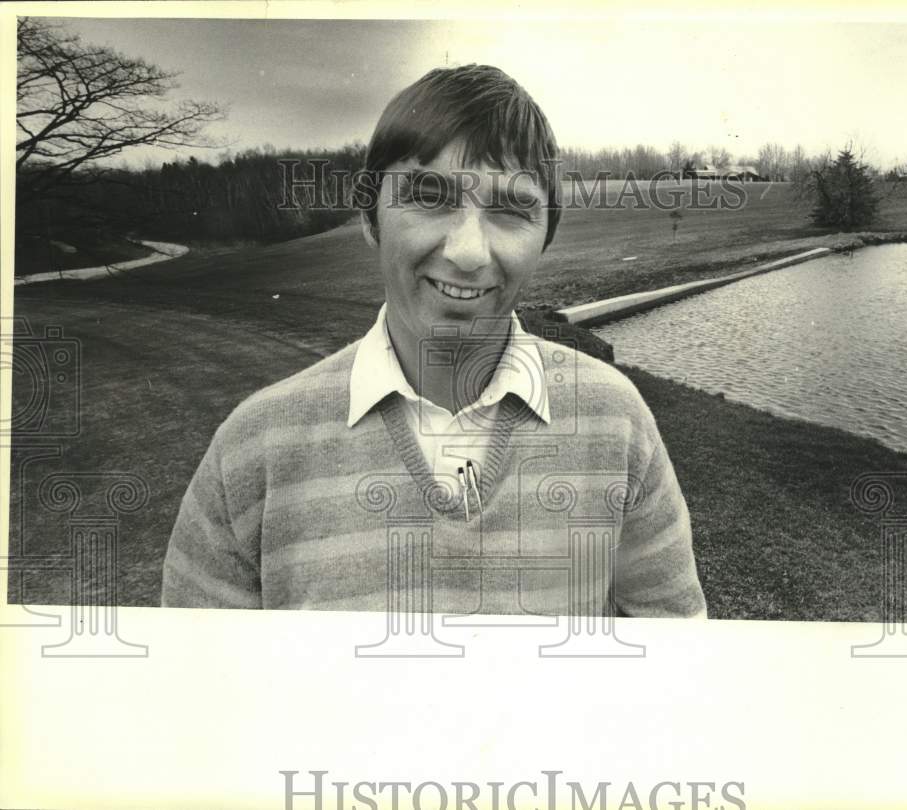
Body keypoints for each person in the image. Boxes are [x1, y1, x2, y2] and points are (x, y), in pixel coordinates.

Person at [161, 64, 707, 619]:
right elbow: (200, 692)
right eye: (429, 197)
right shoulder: (252, 450)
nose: (469, 253)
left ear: (546, 236)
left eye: (511, 209)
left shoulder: (617, 422)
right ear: (371, 217)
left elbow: (678, 664)